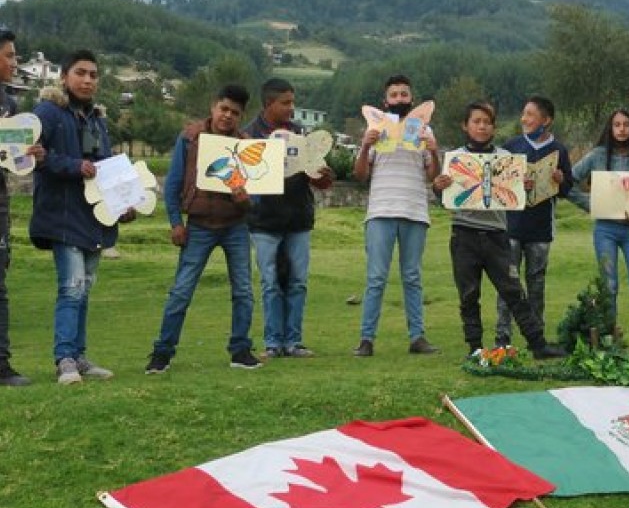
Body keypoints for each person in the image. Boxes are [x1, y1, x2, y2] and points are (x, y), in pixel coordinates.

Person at [432, 100, 564, 358]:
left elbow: (517, 200)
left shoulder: (506, 159)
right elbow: (444, 199)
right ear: (465, 125)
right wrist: (439, 186)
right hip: (464, 234)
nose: (482, 126)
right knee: (469, 294)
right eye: (476, 121)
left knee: (514, 292)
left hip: (497, 235)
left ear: (494, 127)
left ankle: (538, 345)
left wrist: (522, 187)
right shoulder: (455, 159)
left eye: (487, 122)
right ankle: (475, 348)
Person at [144, 85, 262, 373]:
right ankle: (162, 352)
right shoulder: (189, 138)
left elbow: (257, 196)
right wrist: (175, 222)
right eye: (224, 109)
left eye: (235, 112)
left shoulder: (247, 146)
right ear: (213, 107)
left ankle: (241, 350)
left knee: (244, 291)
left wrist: (246, 200)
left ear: (241, 115)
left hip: (235, 225)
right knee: (182, 290)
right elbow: (172, 184)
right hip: (198, 225)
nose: (227, 116)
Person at [30, 49, 125, 384]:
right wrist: (74, 166)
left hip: (94, 219)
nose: (87, 80)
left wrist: (124, 203)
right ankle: (65, 360)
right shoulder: (47, 112)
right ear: (64, 76)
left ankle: (80, 357)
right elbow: (32, 157)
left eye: (93, 75)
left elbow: (109, 170)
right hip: (62, 216)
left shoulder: (97, 119)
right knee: (71, 288)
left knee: (83, 290)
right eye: (80, 73)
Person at [244, 78, 332, 359]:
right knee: (270, 282)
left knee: (298, 281)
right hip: (264, 220)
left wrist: (322, 175)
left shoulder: (300, 136)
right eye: (286, 103)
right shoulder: (248, 137)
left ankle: (294, 342)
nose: (291, 108)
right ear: (269, 103)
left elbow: (320, 182)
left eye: (292, 102)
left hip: (298, 219)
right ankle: (272, 343)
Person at [352, 74, 439, 357]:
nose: (400, 99)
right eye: (394, 95)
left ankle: (418, 337)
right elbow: (360, 175)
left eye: (404, 94)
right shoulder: (375, 129)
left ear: (412, 100)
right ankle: (366, 339)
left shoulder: (425, 130)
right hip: (381, 211)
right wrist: (365, 145)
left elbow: (433, 177)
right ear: (385, 101)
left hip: (414, 210)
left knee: (412, 277)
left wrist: (434, 152)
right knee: (376, 277)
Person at [568, 108, 629, 365]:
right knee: (609, 288)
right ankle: (610, 344)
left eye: (626, 124)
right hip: (606, 230)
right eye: (617, 125)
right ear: (610, 128)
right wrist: (594, 205)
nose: (621, 129)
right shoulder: (598, 156)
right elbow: (568, 181)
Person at [494, 95, 573, 348]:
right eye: (523, 113)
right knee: (508, 284)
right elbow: (498, 185)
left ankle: (536, 337)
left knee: (537, 284)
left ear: (546, 120)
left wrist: (561, 180)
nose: (524, 118)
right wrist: (517, 184)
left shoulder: (558, 150)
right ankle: (502, 335)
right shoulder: (511, 146)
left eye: (530, 114)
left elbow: (567, 188)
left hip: (541, 230)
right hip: (512, 227)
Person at [0, 27, 45, 386]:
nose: (15, 62)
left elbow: (13, 160)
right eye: (10, 55)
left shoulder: (10, 106)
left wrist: (29, 154)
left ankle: (1, 366)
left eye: (15, 55)